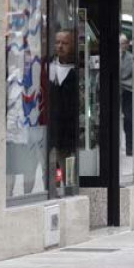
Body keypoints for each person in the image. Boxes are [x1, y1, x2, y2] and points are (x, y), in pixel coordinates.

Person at [48, 30, 79, 174]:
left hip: (68, 131)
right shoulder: (48, 66)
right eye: (57, 42)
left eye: (65, 43)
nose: (60, 46)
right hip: (50, 128)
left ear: (72, 46)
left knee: (67, 168)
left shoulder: (77, 70)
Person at [119, 34, 134, 156]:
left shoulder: (130, 58)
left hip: (127, 91)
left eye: (124, 43)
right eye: (120, 43)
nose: (122, 46)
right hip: (118, 91)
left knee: (128, 119)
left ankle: (130, 147)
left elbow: (125, 74)